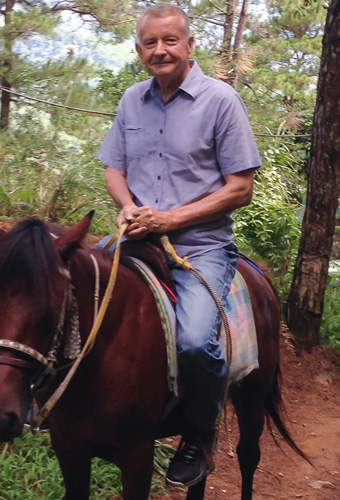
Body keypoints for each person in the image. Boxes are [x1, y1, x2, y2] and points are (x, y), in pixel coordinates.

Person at [96, 3, 261, 488]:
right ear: (139, 50)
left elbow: (240, 188)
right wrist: (127, 205)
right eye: (151, 42)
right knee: (72, 296)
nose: (161, 50)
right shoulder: (131, 101)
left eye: (170, 40)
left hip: (202, 247)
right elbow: (114, 169)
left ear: (189, 46)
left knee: (192, 341)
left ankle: (197, 433)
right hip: (136, 237)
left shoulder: (221, 100)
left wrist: (171, 217)